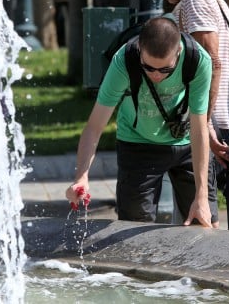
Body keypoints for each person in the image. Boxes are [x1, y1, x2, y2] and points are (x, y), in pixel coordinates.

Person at [65, 16, 216, 227]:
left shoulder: (198, 60)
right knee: (133, 228)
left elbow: (200, 129)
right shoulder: (124, 61)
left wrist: (201, 196)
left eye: (166, 70)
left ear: (178, 53)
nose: (156, 75)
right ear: (140, 51)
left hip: (187, 142)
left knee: (205, 221)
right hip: (137, 142)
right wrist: (81, 177)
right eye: (148, 67)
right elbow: (94, 127)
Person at [146, 0, 229, 225]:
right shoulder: (218, 1)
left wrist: (206, 124)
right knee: (197, 218)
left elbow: (211, 63)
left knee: (194, 225)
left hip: (205, 128)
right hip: (222, 125)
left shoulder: (194, 0)